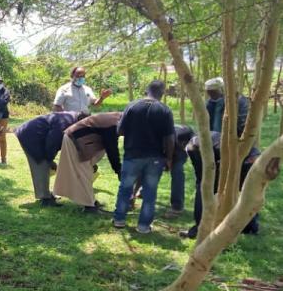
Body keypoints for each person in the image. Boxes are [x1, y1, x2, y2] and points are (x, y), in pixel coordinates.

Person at [113, 80, 175, 234]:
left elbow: (120, 131)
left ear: (147, 90)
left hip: (133, 154)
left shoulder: (132, 106)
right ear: (162, 92)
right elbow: (170, 138)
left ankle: (119, 220)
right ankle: (143, 226)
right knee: (150, 192)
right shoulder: (165, 110)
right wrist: (168, 158)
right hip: (155, 157)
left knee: (125, 188)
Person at [180, 132, 260, 239]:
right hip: (251, 158)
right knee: (245, 192)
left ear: (182, 142)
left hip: (244, 160)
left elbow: (203, 175)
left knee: (203, 187)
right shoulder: (211, 136)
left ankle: (200, 227)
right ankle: (250, 226)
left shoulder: (191, 146)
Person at [53, 112, 122, 212]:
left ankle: (90, 202)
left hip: (79, 140)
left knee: (85, 172)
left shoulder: (117, 119)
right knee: (83, 173)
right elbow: (111, 148)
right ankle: (89, 206)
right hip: (76, 140)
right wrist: (118, 169)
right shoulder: (113, 125)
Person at [15, 112, 84, 206]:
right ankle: (46, 199)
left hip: (37, 133)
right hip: (30, 135)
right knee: (41, 164)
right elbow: (52, 142)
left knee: (44, 163)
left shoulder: (72, 118)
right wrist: (49, 159)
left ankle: (46, 195)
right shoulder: (65, 123)